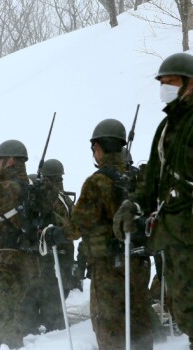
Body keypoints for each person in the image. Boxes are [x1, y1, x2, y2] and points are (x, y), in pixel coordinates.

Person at [43, 119, 153, 349]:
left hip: (109, 268)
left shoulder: (97, 182)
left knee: (109, 327)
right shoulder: (139, 178)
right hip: (139, 263)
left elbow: (77, 225)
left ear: (98, 148)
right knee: (139, 322)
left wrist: (55, 234)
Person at [114, 52, 193, 348]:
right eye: (162, 82)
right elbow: (153, 179)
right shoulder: (166, 127)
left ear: (191, 84)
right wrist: (133, 203)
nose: (165, 87)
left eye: (171, 81)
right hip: (175, 237)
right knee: (182, 308)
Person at [0, 140, 45, 349]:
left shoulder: (3, 188)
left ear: (10, 161)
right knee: (18, 318)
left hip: (4, 262)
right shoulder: (32, 188)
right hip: (29, 262)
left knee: (2, 320)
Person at [37, 159, 75, 332]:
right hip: (65, 250)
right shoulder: (66, 198)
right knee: (60, 288)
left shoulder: (51, 198)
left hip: (54, 252)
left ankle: (54, 326)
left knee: (53, 290)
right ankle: (54, 321)